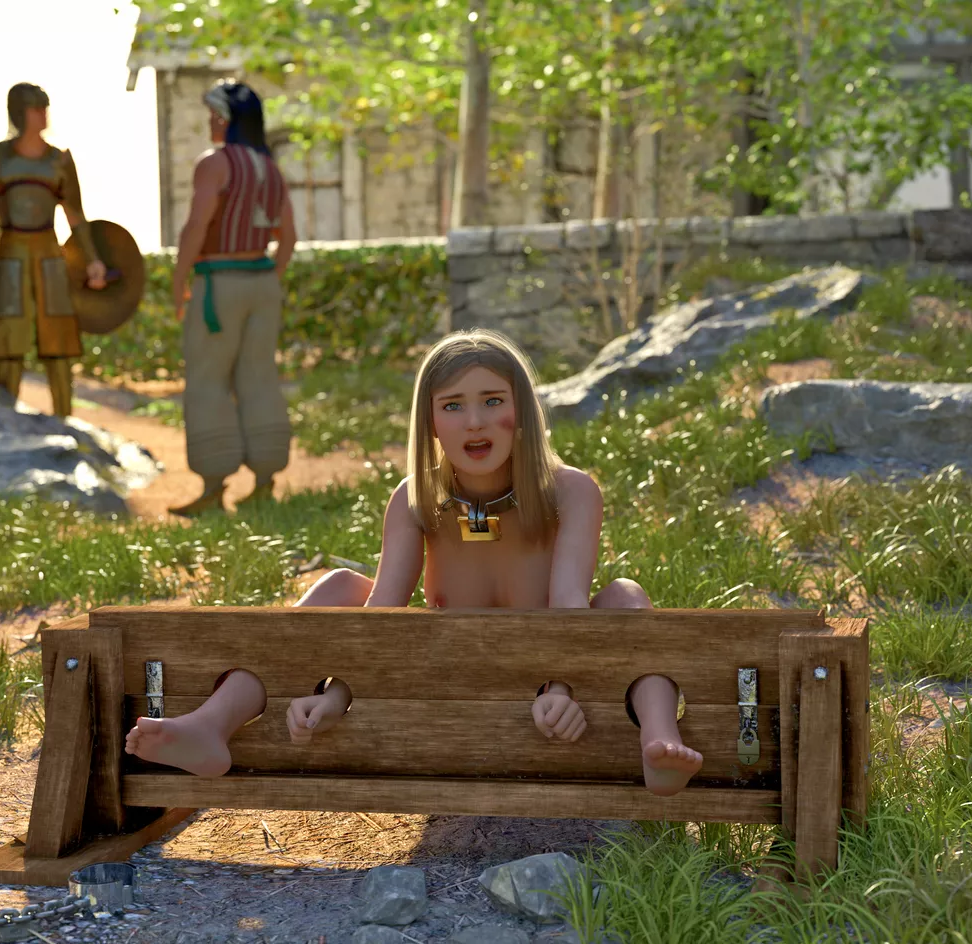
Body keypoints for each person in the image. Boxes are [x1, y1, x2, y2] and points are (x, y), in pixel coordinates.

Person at [125, 329, 703, 796]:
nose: (474, 421)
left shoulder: (570, 492)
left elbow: (570, 607)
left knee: (625, 598)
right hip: (434, 678)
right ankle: (211, 723)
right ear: (431, 423)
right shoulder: (416, 498)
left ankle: (659, 743)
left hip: (542, 680)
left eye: (492, 401)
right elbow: (382, 619)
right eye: (453, 406)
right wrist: (335, 696)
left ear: (522, 413)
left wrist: (565, 690)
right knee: (339, 589)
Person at [167, 79, 299, 518]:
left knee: (208, 380)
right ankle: (265, 480)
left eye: (213, 113)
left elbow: (196, 227)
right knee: (259, 376)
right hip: (261, 281)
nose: (208, 121)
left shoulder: (215, 164)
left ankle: (212, 484)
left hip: (218, 281)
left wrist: (180, 278)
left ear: (226, 118)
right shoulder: (270, 168)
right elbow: (288, 237)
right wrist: (269, 280)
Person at [0, 82, 107, 418]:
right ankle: (3, 422)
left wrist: (93, 259)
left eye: (44, 106)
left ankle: (65, 421)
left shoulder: (60, 160)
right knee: (10, 341)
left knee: (59, 340)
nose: (44, 114)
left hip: (50, 254)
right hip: (11, 254)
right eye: (37, 108)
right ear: (22, 114)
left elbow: (75, 216)